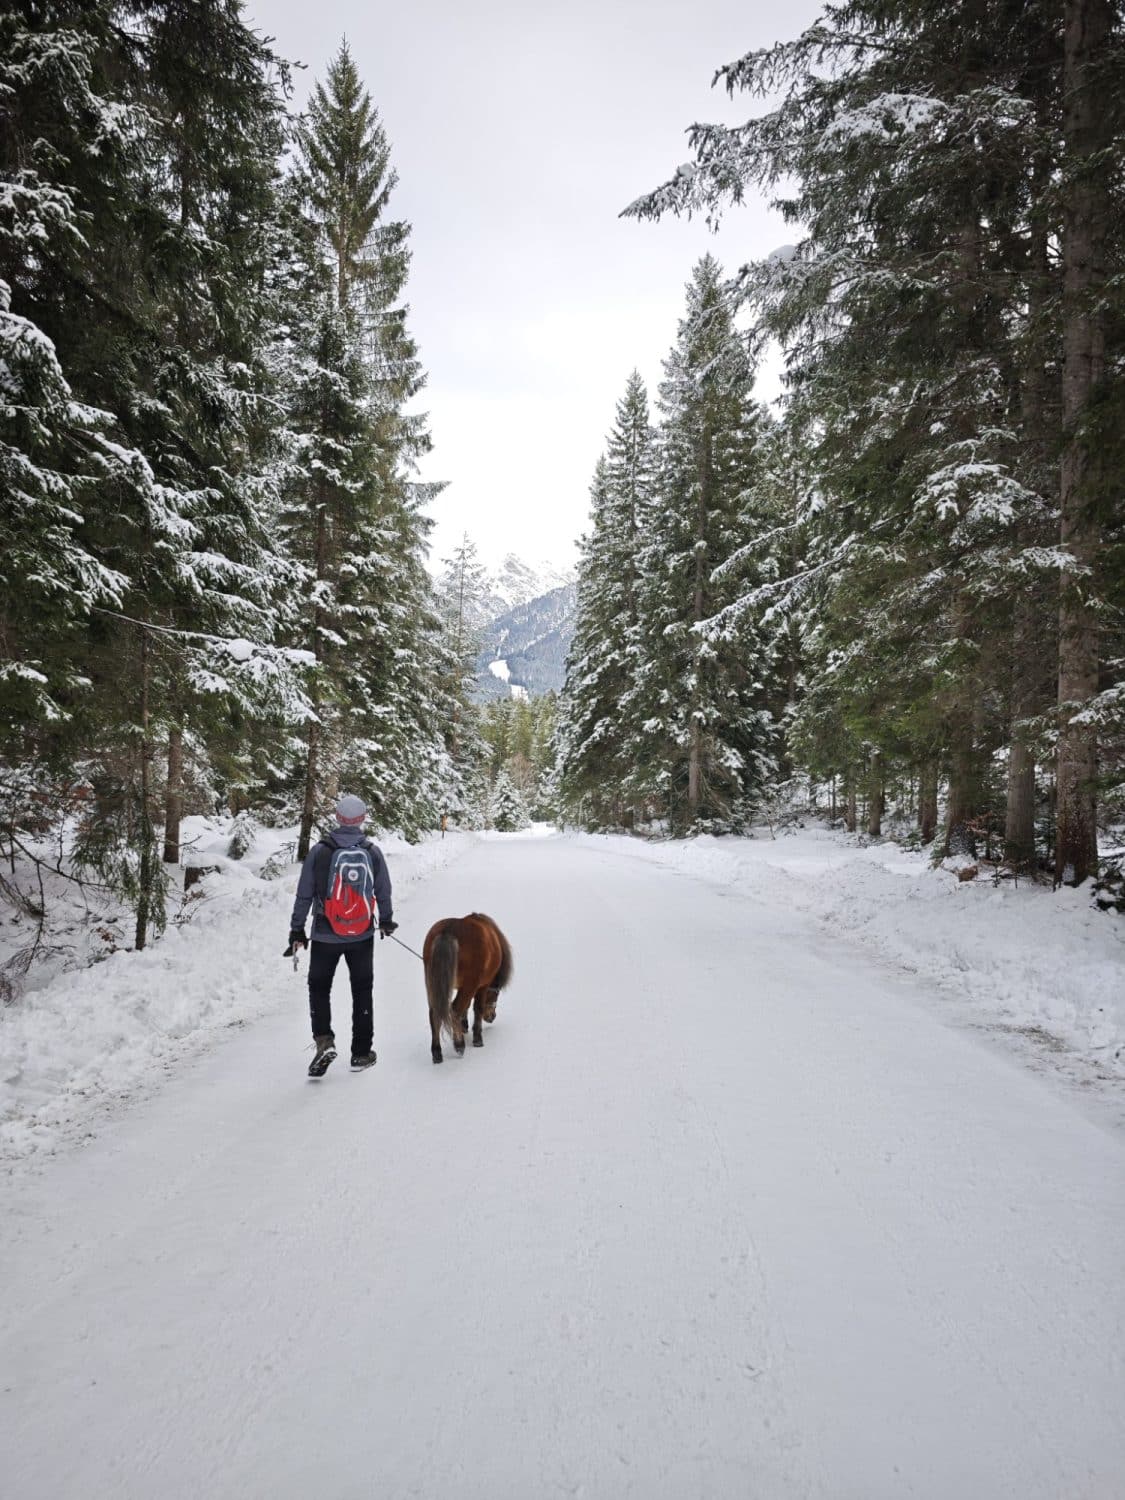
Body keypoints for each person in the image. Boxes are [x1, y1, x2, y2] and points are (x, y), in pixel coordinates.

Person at [286, 794, 398, 1077]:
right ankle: (361, 1053)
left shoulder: (320, 852)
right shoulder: (371, 852)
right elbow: (382, 890)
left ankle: (324, 1041)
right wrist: (385, 920)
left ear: (337, 817)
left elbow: (304, 894)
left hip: (325, 933)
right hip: (361, 934)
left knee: (319, 988)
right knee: (362, 990)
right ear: (362, 819)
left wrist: (297, 928)